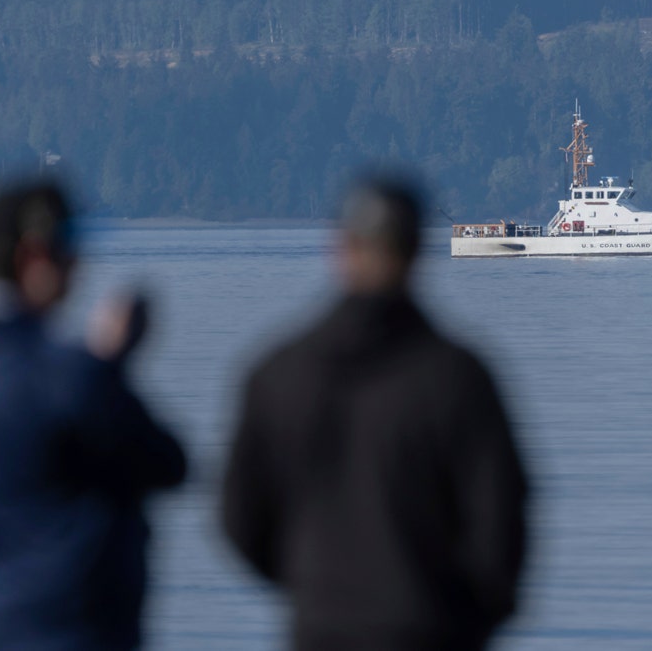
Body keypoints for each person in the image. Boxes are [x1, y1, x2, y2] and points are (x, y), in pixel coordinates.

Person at [222, 174, 529, 651]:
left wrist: (314, 589)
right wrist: (473, 621)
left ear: (339, 247)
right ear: (415, 254)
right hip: (431, 631)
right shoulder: (459, 378)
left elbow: (239, 520)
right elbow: (502, 523)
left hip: (321, 629)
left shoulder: (276, 375)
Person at [0, 179, 187, 651]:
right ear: (34, 257)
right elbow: (166, 461)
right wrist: (107, 364)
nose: (78, 266)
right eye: (68, 251)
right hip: (59, 630)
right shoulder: (61, 376)